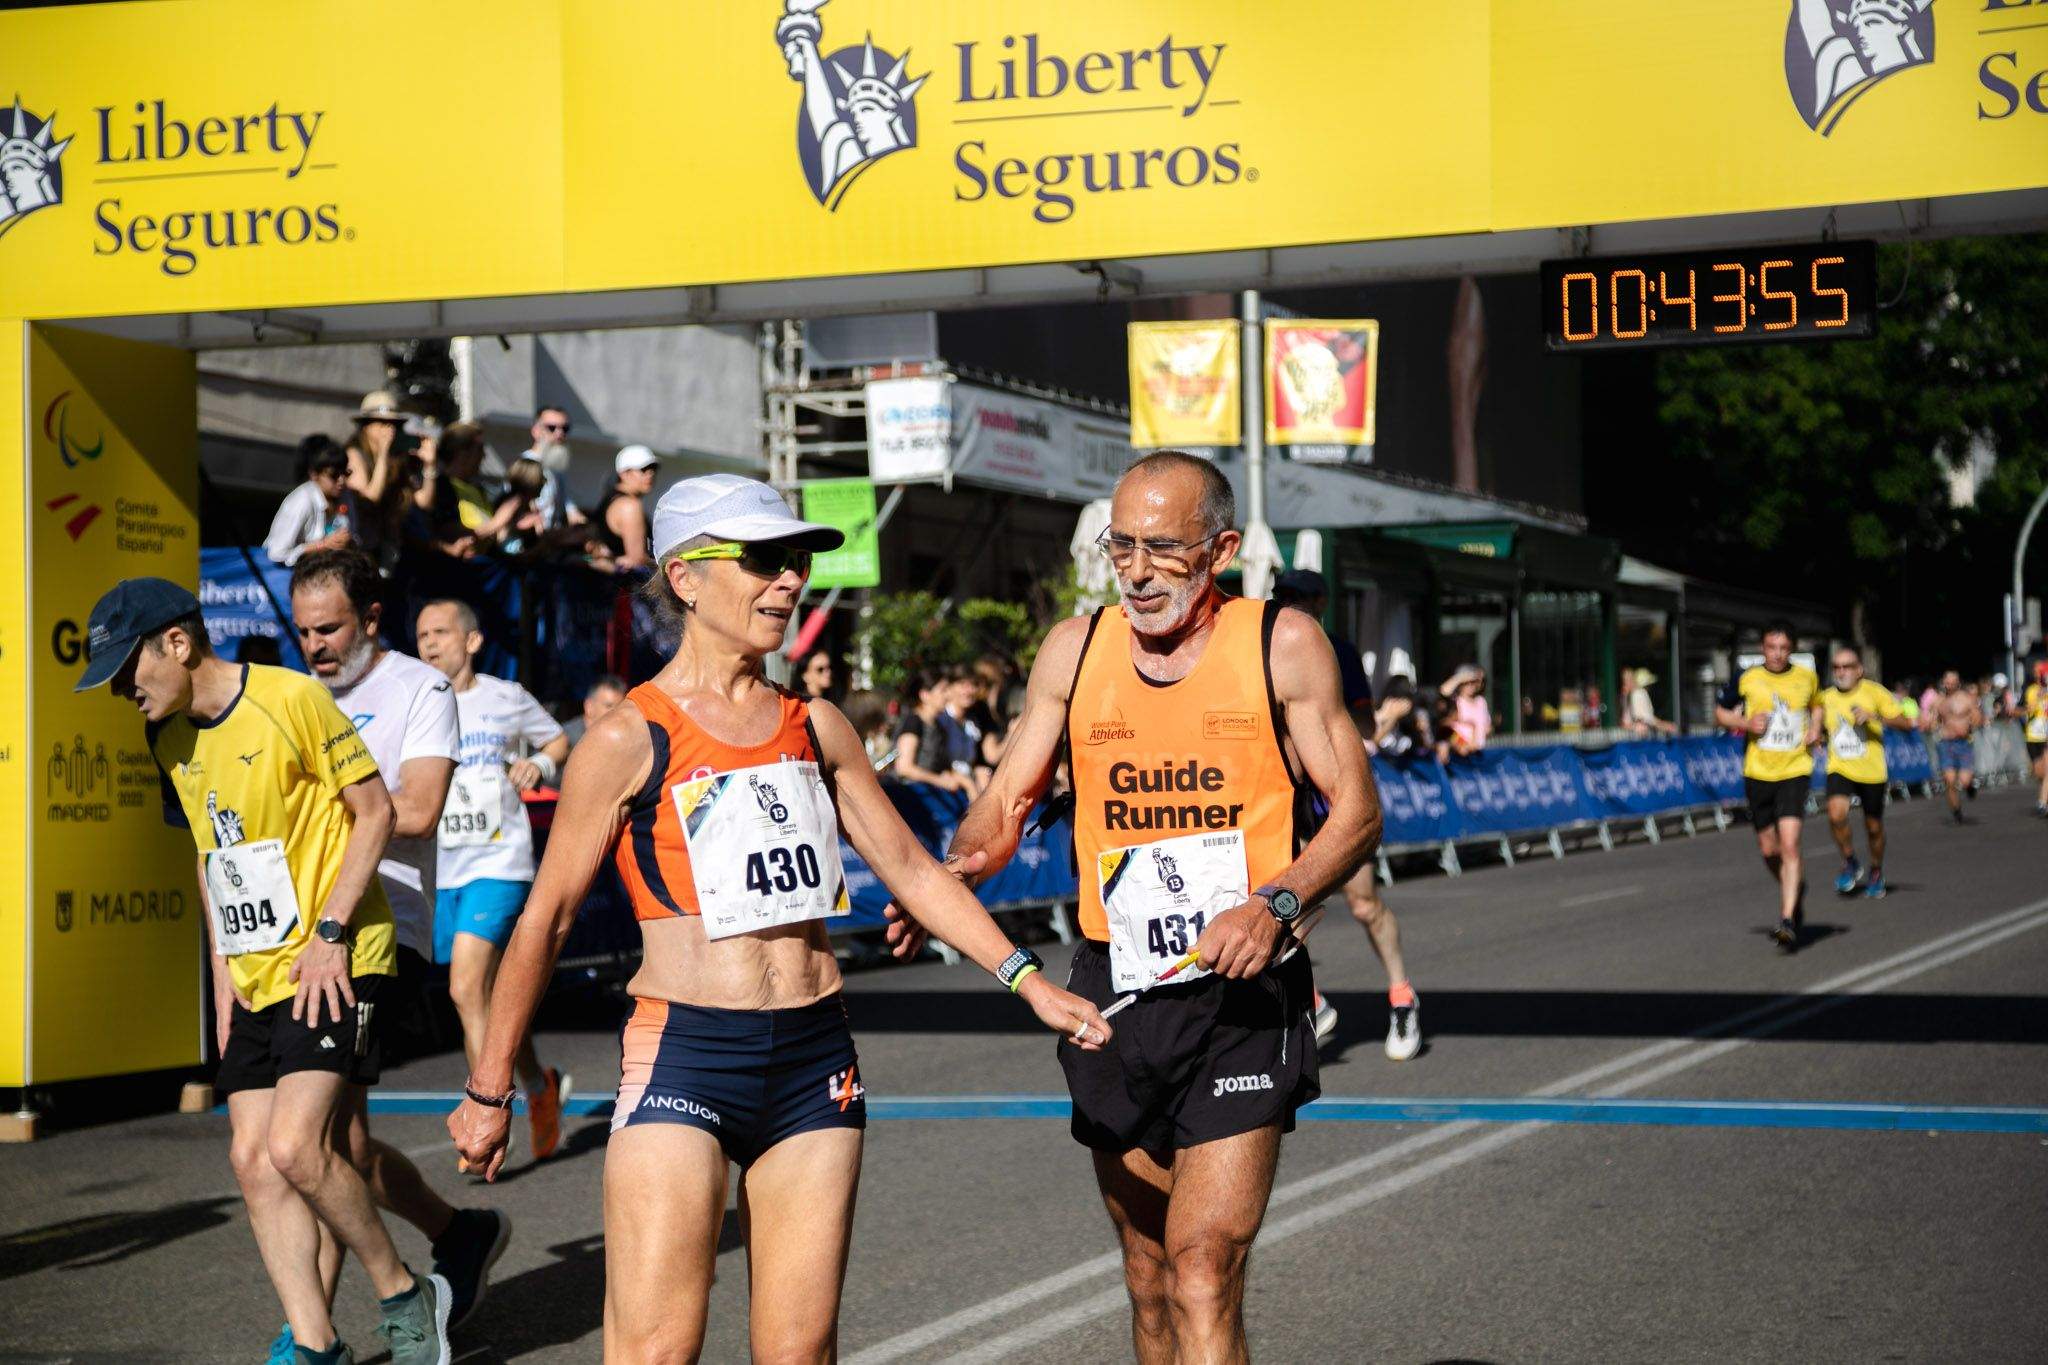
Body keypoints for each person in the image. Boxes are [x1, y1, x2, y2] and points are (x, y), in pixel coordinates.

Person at [446, 474, 1111, 1360]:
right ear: (684, 577)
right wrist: (491, 1086)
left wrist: (1024, 978)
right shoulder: (626, 738)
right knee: (656, 1350)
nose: (790, 580)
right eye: (763, 560)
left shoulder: (816, 723)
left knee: (800, 1353)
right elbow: (547, 920)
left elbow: (910, 866)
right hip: (686, 1048)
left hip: (813, 1058)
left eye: (795, 560)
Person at [940, 452, 1379, 1363]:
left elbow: (1359, 810)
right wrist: (960, 867)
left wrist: (1276, 901)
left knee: (1202, 1265)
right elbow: (1010, 795)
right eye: (1121, 546)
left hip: (1241, 991)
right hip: (1117, 988)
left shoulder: (1282, 643)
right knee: (1147, 1277)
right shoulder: (1076, 645)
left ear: (1219, 549)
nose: (1135, 572)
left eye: (1161, 550)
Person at [75, 578, 452, 1364]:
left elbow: (377, 810)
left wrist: (330, 930)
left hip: (337, 955)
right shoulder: (165, 736)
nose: (121, 690)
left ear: (176, 643)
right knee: (250, 1158)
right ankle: (315, 1341)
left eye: (125, 669)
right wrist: (220, 983)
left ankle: (402, 1292)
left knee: (295, 1147)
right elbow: (216, 859)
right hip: (254, 970)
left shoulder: (291, 698)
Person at [289, 549, 510, 1351]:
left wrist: (327, 812)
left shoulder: (419, 688)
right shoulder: (297, 695)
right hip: (303, 932)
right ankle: (456, 1232)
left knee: (309, 1143)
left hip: (382, 930)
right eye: (303, 629)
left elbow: (414, 808)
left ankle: (311, 1334)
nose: (313, 644)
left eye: (330, 628)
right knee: (333, 1143)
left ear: (371, 619)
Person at [414, 598, 575, 1158]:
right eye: (421, 636)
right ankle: (537, 1084)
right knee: (485, 997)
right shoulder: (414, 704)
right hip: (444, 869)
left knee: (464, 986)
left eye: (440, 632)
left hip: (500, 862)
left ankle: (486, 1117)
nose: (429, 643)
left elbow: (556, 738)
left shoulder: (503, 698)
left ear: (472, 641)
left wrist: (540, 764)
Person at [1273, 569, 1418, 1060]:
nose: (1287, 604)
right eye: (1281, 596)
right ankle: (1312, 1002)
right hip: (1284, 798)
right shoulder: (1261, 648)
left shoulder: (1338, 652)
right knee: (1281, 909)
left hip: (1332, 795)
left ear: (1320, 603)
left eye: (1297, 597)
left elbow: (1363, 724)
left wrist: (1330, 720)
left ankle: (1402, 995)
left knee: (1363, 904)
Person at [1714, 622, 1822, 949]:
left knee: (1790, 845)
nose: (1776, 654)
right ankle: (1793, 887)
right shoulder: (1746, 677)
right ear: (1763, 648)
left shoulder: (1806, 677)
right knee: (1768, 849)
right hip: (1758, 771)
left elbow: (1817, 704)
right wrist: (1746, 722)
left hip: (1794, 769)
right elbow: (1720, 713)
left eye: (1783, 648)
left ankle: (1787, 918)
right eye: (1771, 647)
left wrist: (1815, 727)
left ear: (1792, 649)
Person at [1818, 645, 1915, 900]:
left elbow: (1907, 723)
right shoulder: (1825, 698)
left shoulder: (1875, 692)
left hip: (1872, 771)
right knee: (1836, 814)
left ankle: (1875, 870)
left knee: (1873, 827)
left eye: (1847, 666)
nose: (1841, 672)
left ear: (1859, 670)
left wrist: (1875, 717)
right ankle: (1850, 861)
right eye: (1836, 667)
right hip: (1840, 767)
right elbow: (1815, 727)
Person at [266, 437, 360, 567]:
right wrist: (323, 545)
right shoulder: (302, 500)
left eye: (345, 473)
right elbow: (276, 553)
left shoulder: (346, 496)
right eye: (334, 475)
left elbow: (354, 536)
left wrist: (347, 542)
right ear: (314, 474)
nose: (341, 480)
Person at [415, 421, 495, 556]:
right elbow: (442, 529)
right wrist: (495, 525)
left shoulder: (479, 489)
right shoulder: (440, 487)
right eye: (480, 449)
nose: (484, 456)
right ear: (462, 454)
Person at [1922, 669, 1983, 824]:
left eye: (1952, 682)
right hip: (1946, 744)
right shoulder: (1939, 701)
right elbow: (1933, 720)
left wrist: (1972, 724)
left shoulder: (1967, 699)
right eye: (1947, 682)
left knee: (1964, 780)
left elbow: (1977, 717)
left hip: (1963, 743)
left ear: (1958, 683)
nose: (1949, 685)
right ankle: (1956, 812)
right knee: (1949, 780)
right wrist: (1931, 724)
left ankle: (1969, 786)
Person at [889, 668, 964, 792]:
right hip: (912, 795)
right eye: (943, 690)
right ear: (925, 695)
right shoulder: (913, 722)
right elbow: (904, 767)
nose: (948, 695)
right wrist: (939, 780)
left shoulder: (939, 726)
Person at [592, 445, 659, 571]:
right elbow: (637, 559)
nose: (651, 474)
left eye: (653, 468)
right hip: (622, 586)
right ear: (625, 473)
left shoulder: (610, 499)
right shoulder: (630, 506)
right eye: (644, 469)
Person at [518, 405, 583, 533]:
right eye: (551, 428)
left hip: (552, 541)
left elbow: (572, 512)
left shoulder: (557, 469)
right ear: (535, 431)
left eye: (565, 428)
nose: (559, 434)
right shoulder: (524, 466)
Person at [345, 391, 406, 511]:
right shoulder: (354, 454)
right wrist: (383, 453)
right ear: (366, 426)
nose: (390, 428)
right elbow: (370, 499)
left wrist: (429, 466)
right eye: (383, 422)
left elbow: (423, 503)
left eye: (394, 423)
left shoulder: (396, 457)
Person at [1437, 663, 1491, 763]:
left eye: (1474, 682)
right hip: (1459, 757)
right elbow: (1445, 727)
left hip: (1479, 755)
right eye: (1467, 683)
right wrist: (1460, 743)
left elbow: (1487, 727)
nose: (1471, 686)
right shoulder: (1455, 701)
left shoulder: (1481, 701)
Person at [565, 673, 629, 748]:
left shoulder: (623, 736)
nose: (616, 712)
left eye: (620, 707)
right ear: (589, 707)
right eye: (609, 706)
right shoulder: (567, 739)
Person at [2024, 660, 2048, 817]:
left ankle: (2042, 802)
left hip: (2046, 737)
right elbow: (2025, 709)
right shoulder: (2031, 690)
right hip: (2033, 736)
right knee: (2039, 773)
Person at [1626, 667, 1678, 737]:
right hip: (1641, 736)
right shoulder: (1639, 693)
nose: (1651, 686)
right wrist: (1665, 726)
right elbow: (1646, 719)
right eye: (1649, 684)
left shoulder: (1636, 693)